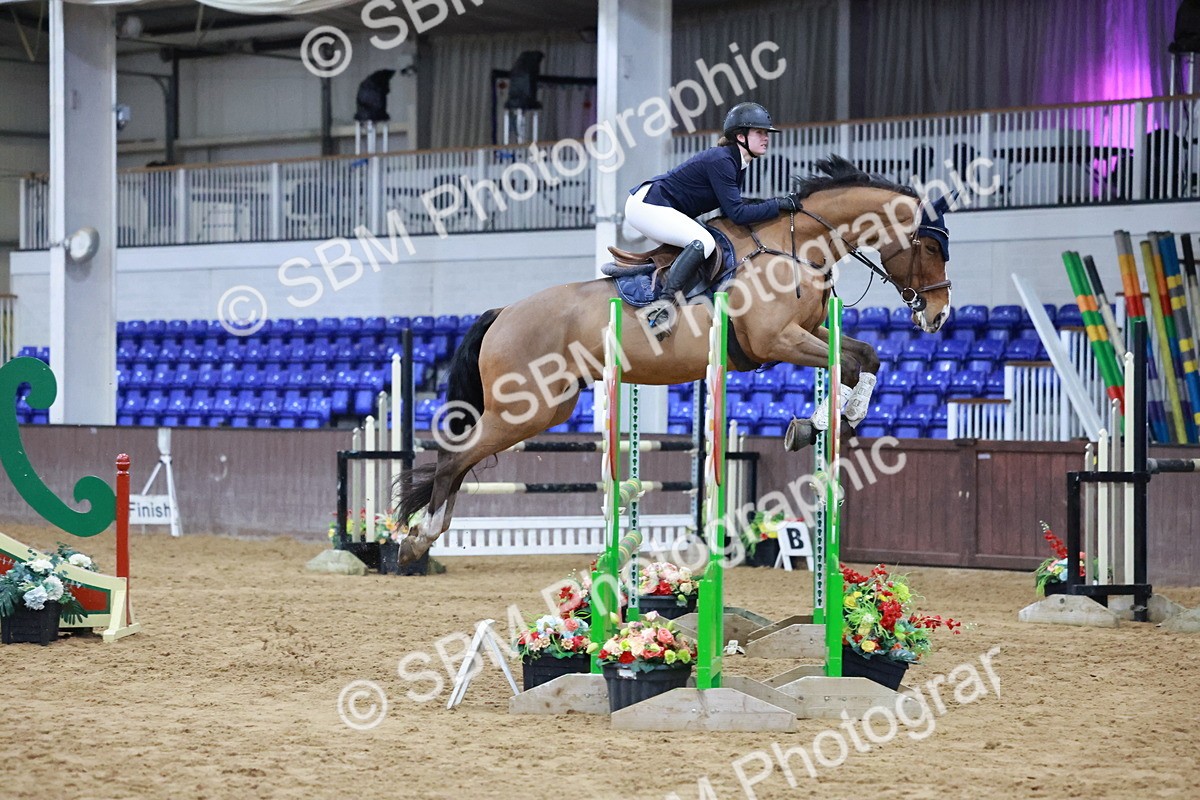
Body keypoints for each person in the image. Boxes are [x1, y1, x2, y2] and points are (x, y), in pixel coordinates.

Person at [624, 101, 800, 338]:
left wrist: (774, 204)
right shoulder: (722, 161)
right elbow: (736, 214)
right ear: (740, 136)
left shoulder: (736, 162)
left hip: (658, 205)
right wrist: (776, 205)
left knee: (701, 241)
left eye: (766, 133)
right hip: (647, 205)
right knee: (703, 242)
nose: (766, 138)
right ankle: (661, 308)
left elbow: (731, 209)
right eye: (760, 132)